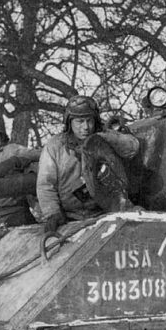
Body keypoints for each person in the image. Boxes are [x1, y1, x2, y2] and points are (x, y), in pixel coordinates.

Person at [36, 95, 140, 233]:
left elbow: (132, 147)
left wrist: (103, 137)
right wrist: (52, 213)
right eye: (79, 121)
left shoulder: (104, 136)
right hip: (70, 218)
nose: (85, 127)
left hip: (107, 211)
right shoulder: (55, 147)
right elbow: (45, 184)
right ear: (69, 122)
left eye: (89, 121)